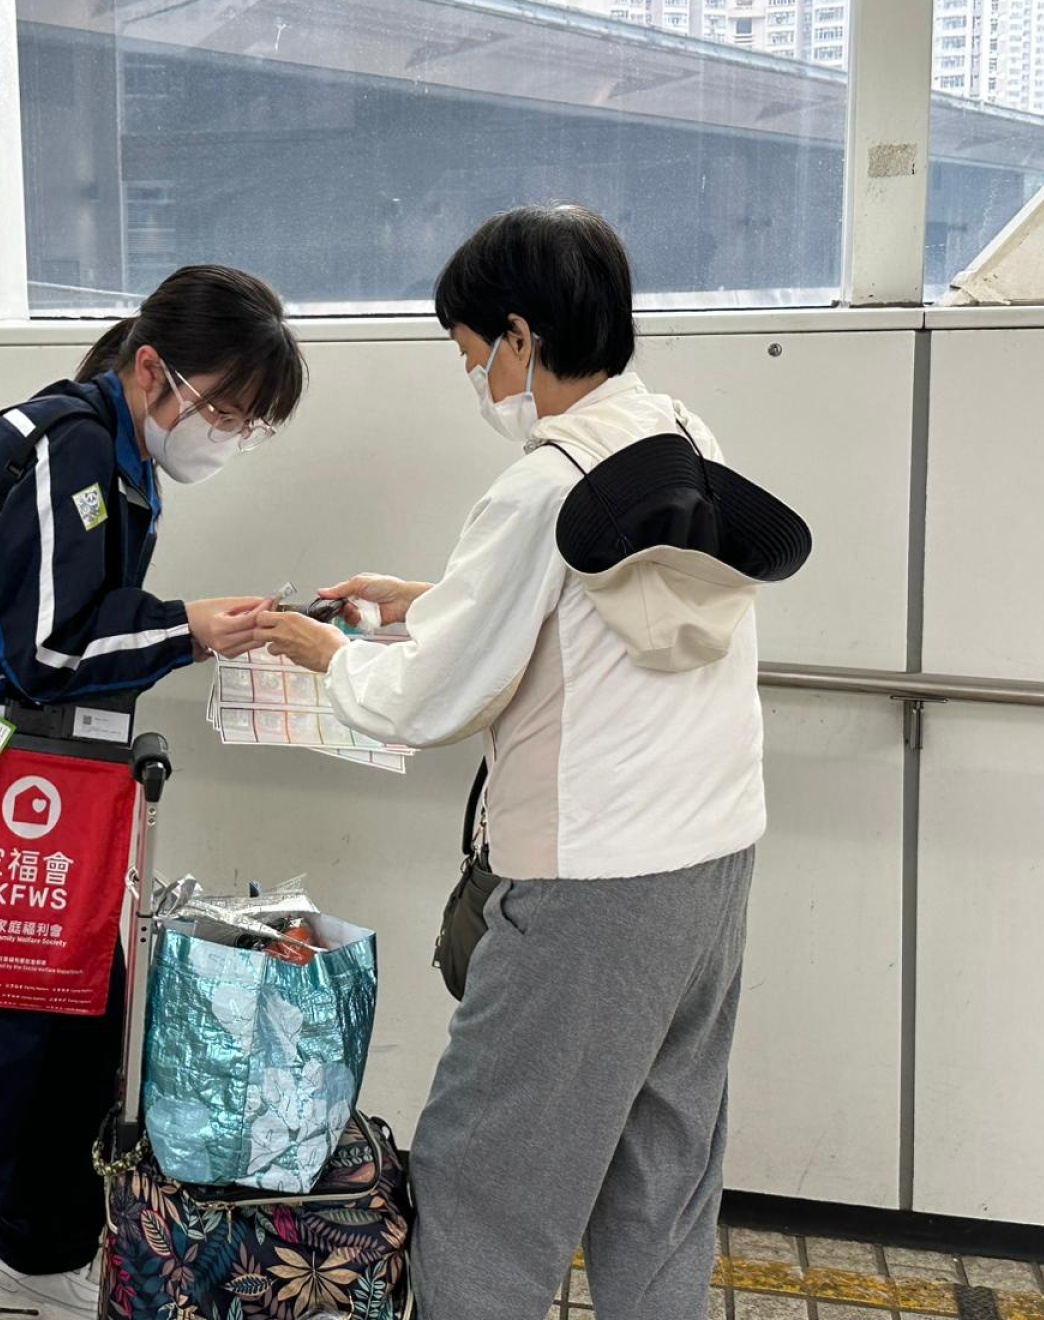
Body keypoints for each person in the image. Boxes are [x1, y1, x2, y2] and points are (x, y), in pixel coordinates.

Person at [257, 205, 807, 1320]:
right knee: (661, 1168)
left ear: (521, 335)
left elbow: (429, 699)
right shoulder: (682, 438)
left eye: (473, 353)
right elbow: (598, 614)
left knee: (485, 1181)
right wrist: (429, 603)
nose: (477, 378)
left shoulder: (540, 486)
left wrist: (330, 654)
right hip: (711, 865)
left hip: (590, 889)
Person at [0, 265, 308, 1320]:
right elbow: (44, 651)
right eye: (226, 410)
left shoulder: (116, 458)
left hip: (26, 808)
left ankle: (37, 1264)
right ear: (153, 369)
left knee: (70, 1045)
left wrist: (186, 628)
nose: (230, 436)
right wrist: (187, 628)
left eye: (250, 424)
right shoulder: (72, 448)